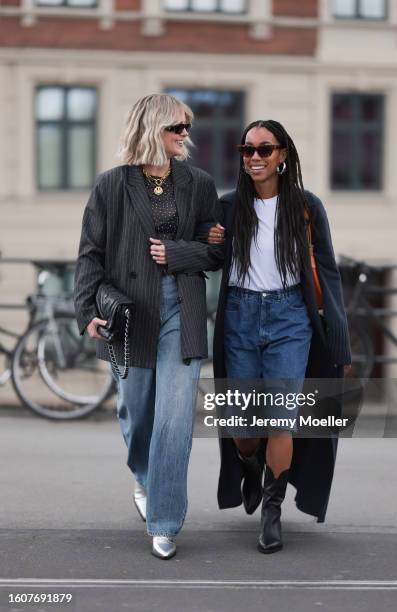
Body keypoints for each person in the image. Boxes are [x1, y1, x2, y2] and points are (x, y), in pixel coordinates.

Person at [74, 93, 223, 560]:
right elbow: (90, 254)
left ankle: (164, 520)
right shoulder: (111, 185)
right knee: (136, 413)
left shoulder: (199, 184)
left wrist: (177, 253)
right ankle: (144, 476)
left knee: (175, 418)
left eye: (187, 127)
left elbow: (217, 252)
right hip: (130, 312)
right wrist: (86, 311)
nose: (185, 136)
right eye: (176, 127)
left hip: (183, 307)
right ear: (152, 128)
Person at [210, 119, 351, 554]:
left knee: (279, 420)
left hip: (291, 317)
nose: (254, 157)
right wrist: (209, 241)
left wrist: (339, 335)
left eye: (264, 149)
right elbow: (211, 260)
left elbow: (327, 272)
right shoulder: (227, 207)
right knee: (243, 428)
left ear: (283, 155)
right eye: (247, 150)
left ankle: (273, 511)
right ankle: (251, 468)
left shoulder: (306, 206)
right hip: (239, 316)